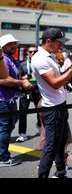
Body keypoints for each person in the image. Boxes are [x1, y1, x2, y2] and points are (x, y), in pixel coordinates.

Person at [31, 28, 72, 178]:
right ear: (49, 41)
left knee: (60, 142)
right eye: (59, 42)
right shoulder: (40, 58)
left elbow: (57, 78)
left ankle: (61, 172)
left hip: (58, 105)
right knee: (51, 147)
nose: (60, 45)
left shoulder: (48, 55)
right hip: (52, 109)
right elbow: (54, 83)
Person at [0, 35, 33, 167]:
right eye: (11, 44)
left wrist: (22, 79)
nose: (14, 46)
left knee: (8, 127)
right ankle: (3, 158)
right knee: (5, 128)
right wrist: (21, 82)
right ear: (3, 46)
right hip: (4, 100)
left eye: (15, 43)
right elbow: (2, 79)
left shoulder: (8, 59)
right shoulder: (3, 60)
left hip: (9, 99)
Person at [17, 46, 42, 143]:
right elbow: (18, 78)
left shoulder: (40, 64)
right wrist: (24, 77)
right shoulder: (23, 64)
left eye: (34, 52)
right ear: (27, 53)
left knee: (40, 111)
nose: (32, 53)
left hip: (37, 89)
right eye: (30, 52)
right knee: (23, 113)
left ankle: (40, 126)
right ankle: (22, 134)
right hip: (25, 90)